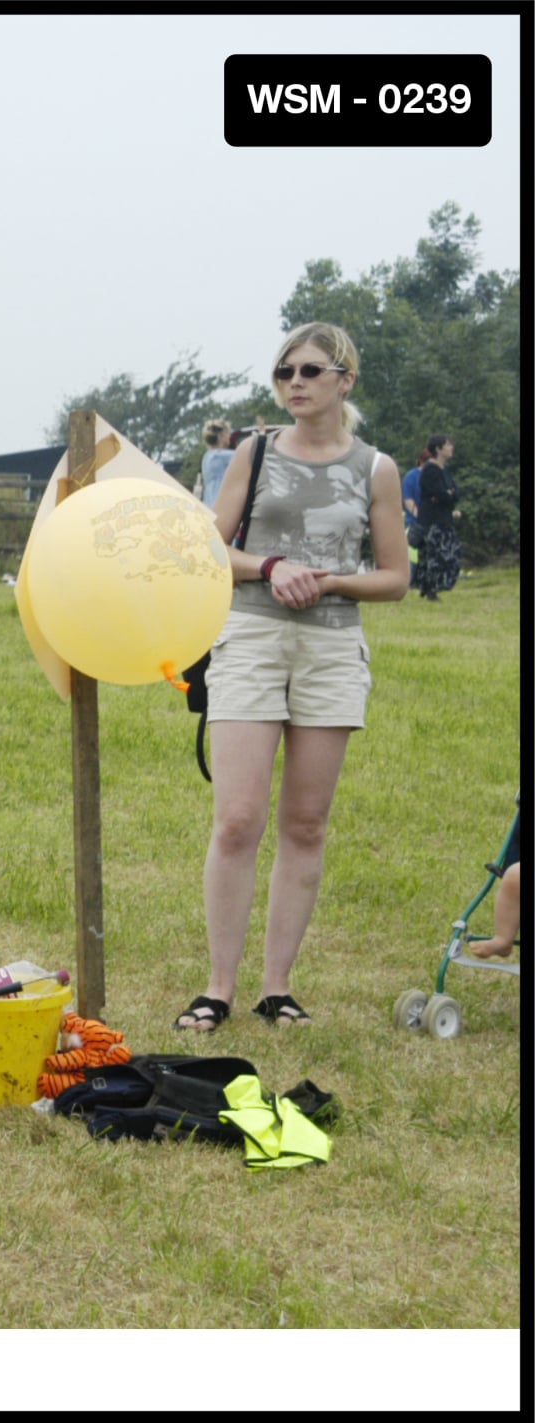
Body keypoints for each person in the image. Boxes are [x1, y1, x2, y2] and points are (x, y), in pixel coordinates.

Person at [175, 321, 407, 1032]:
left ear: (345, 379)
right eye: (284, 373)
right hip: (251, 635)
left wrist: (329, 581)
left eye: (310, 370)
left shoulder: (377, 468)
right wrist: (273, 567)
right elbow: (211, 544)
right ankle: (217, 988)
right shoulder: (256, 450)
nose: (295, 383)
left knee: (305, 824)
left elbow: (396, 578)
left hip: (332, 651)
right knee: (238, 819)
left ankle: (277, 988)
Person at [414, 434, 461, 602]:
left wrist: (450, 494)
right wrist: (447, 494)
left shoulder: (445, 470)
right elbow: (440, 494)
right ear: (438, 449)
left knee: (450, 553)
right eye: (448, 445)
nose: (451, 448)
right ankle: (430, 589)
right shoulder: (430, 470)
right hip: (432, 520)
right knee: (434, 555)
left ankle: (429, 587)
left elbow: (456, 492)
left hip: (445, 518)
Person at [400, 448, 427, 589]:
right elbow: (408, 501)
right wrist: (421, 517)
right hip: (414, 523)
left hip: (432, 522)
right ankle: (411, 582)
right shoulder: (411, 477)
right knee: (413, 556)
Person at [198, 419, 235, 509]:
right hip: (220, 505)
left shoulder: (207, 456)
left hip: (208, 503)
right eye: (228, 433)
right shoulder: (222, 456)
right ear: (222, 436)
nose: (230, 436)